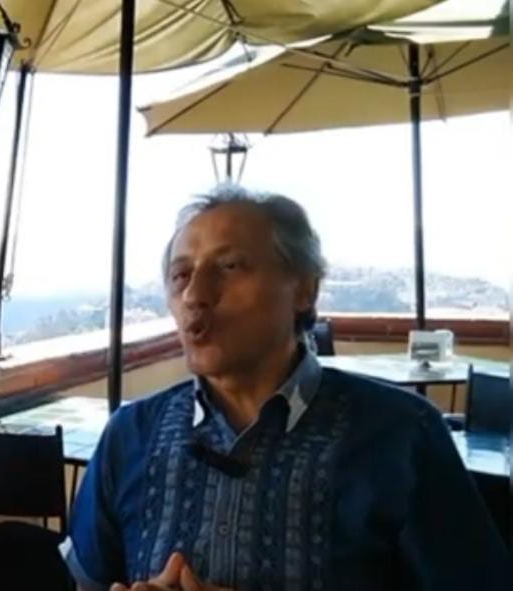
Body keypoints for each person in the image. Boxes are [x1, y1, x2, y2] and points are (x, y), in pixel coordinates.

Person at [63, 185, 511, 590]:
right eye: (181, 275)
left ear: (304, 291)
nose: (195, 294)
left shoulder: (403, 435)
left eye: (230, 266)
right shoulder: (131, 434)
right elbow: (84, 582)